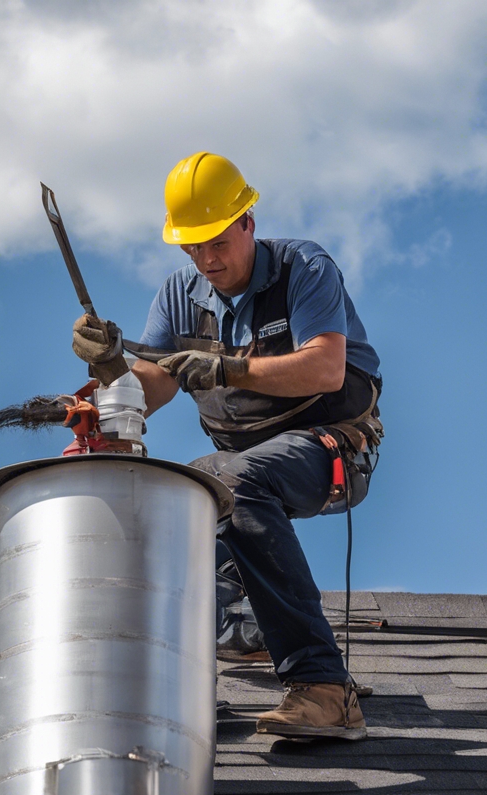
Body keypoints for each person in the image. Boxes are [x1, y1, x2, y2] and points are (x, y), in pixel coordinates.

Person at [71, 152, 382, 740]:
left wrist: (228, 370)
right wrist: (112, 366)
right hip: (244, 477)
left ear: (248, 222)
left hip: (330, 449)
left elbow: (326, 368)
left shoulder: (303, 269)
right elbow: (150, 387)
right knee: (176, 502)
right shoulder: (180, 293)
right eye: (192, 247)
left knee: (222, 478)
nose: (206, 260)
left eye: (216, 241)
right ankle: (183, 689)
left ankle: (323, 688)